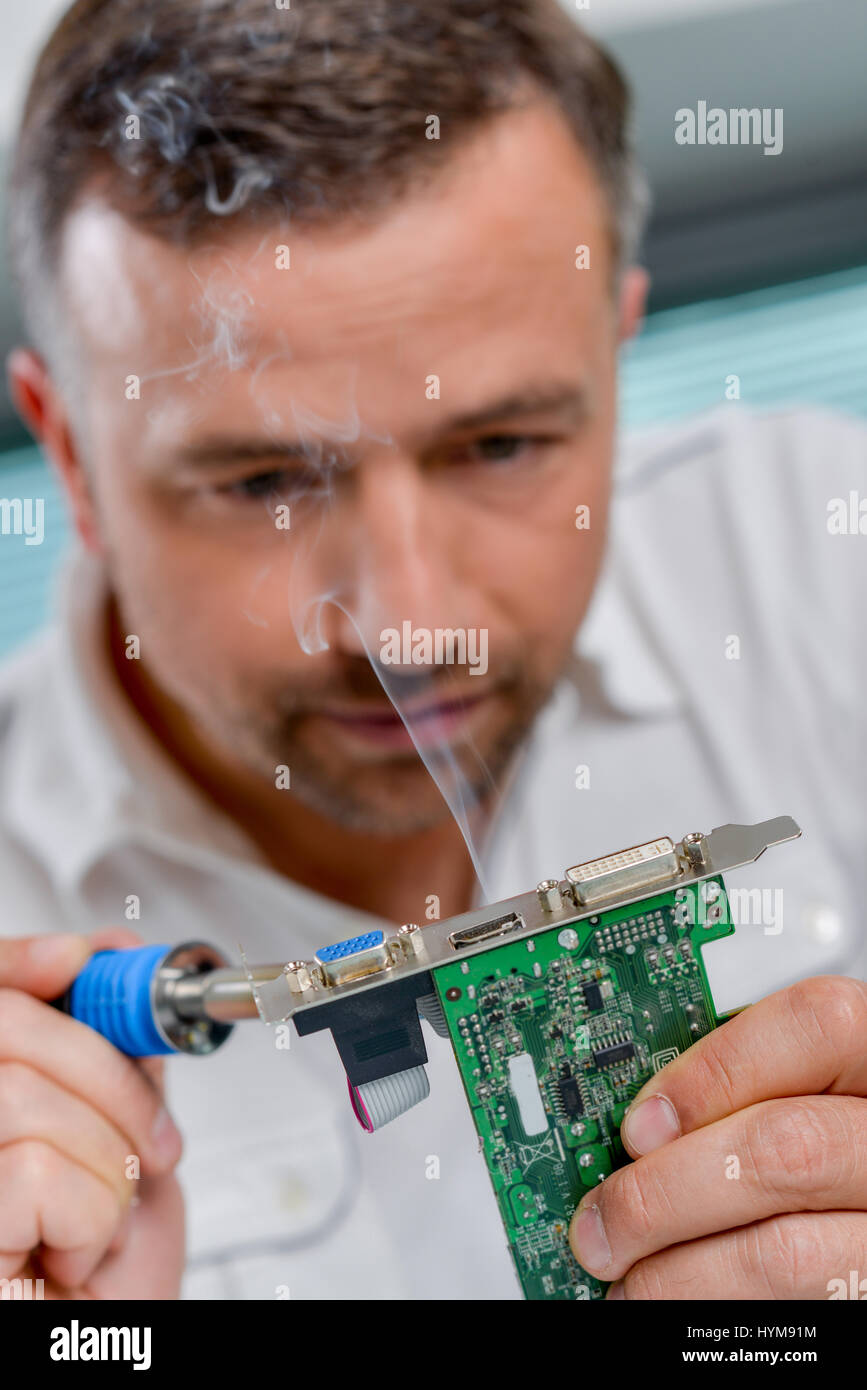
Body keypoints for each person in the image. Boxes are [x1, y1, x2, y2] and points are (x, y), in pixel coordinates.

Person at [1, 0, 865, 1301]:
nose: (406, 628)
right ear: (66, 449)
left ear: (618, 351)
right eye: (264, 481)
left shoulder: (821, 559)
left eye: (501, 446)